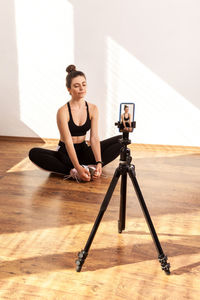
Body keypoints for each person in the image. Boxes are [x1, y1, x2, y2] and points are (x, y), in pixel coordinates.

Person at [29, 64, 123, 182]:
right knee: (34, 153)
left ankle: (91, 167)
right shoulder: (63, 111)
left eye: (84, 85)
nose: (81, 89)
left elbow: (94, 138)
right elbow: (68, 141)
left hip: (83, 150)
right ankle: (73, 171)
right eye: (76, 86)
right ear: (69, 89)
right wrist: (78, 168)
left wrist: (99, 162)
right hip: (66, 153)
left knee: (122, 140)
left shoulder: (93, 108)